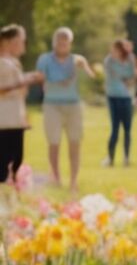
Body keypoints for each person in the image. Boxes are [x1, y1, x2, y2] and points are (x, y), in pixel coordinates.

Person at [35, 26, 96, 191]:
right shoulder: (45, 59)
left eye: (65, 41)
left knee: (74, 143)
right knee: (53, 143)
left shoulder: (77, 60)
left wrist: (84, 67)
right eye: (59, 40)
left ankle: (73, 181)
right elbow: (39, 78)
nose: (62, 43)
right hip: (52, 105)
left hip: (73, 106)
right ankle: (56, 178)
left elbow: (93, 79)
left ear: (70, 43)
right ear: (54, 42)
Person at [0, 24, 44, 189]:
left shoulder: (12, 63)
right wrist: (27, 81)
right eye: (20, 41)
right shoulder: (2, 62)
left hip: (15, 120)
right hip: (4, 122)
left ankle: (9, 198)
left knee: (16, 160)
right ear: (8, 42)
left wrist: (28, 78)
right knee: (5, 161)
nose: (23, 46)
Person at [102, 38, 137, 167]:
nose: (112, 52)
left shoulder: (130, 60)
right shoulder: (109, 61)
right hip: (113, 97)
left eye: (115, 50)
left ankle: (126, 158)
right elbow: (117, 76)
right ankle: (111, 159)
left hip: (127, 98)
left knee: (127, 130)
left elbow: (132, 77)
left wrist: (130, 78)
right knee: (115, 129)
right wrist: (127, 78)